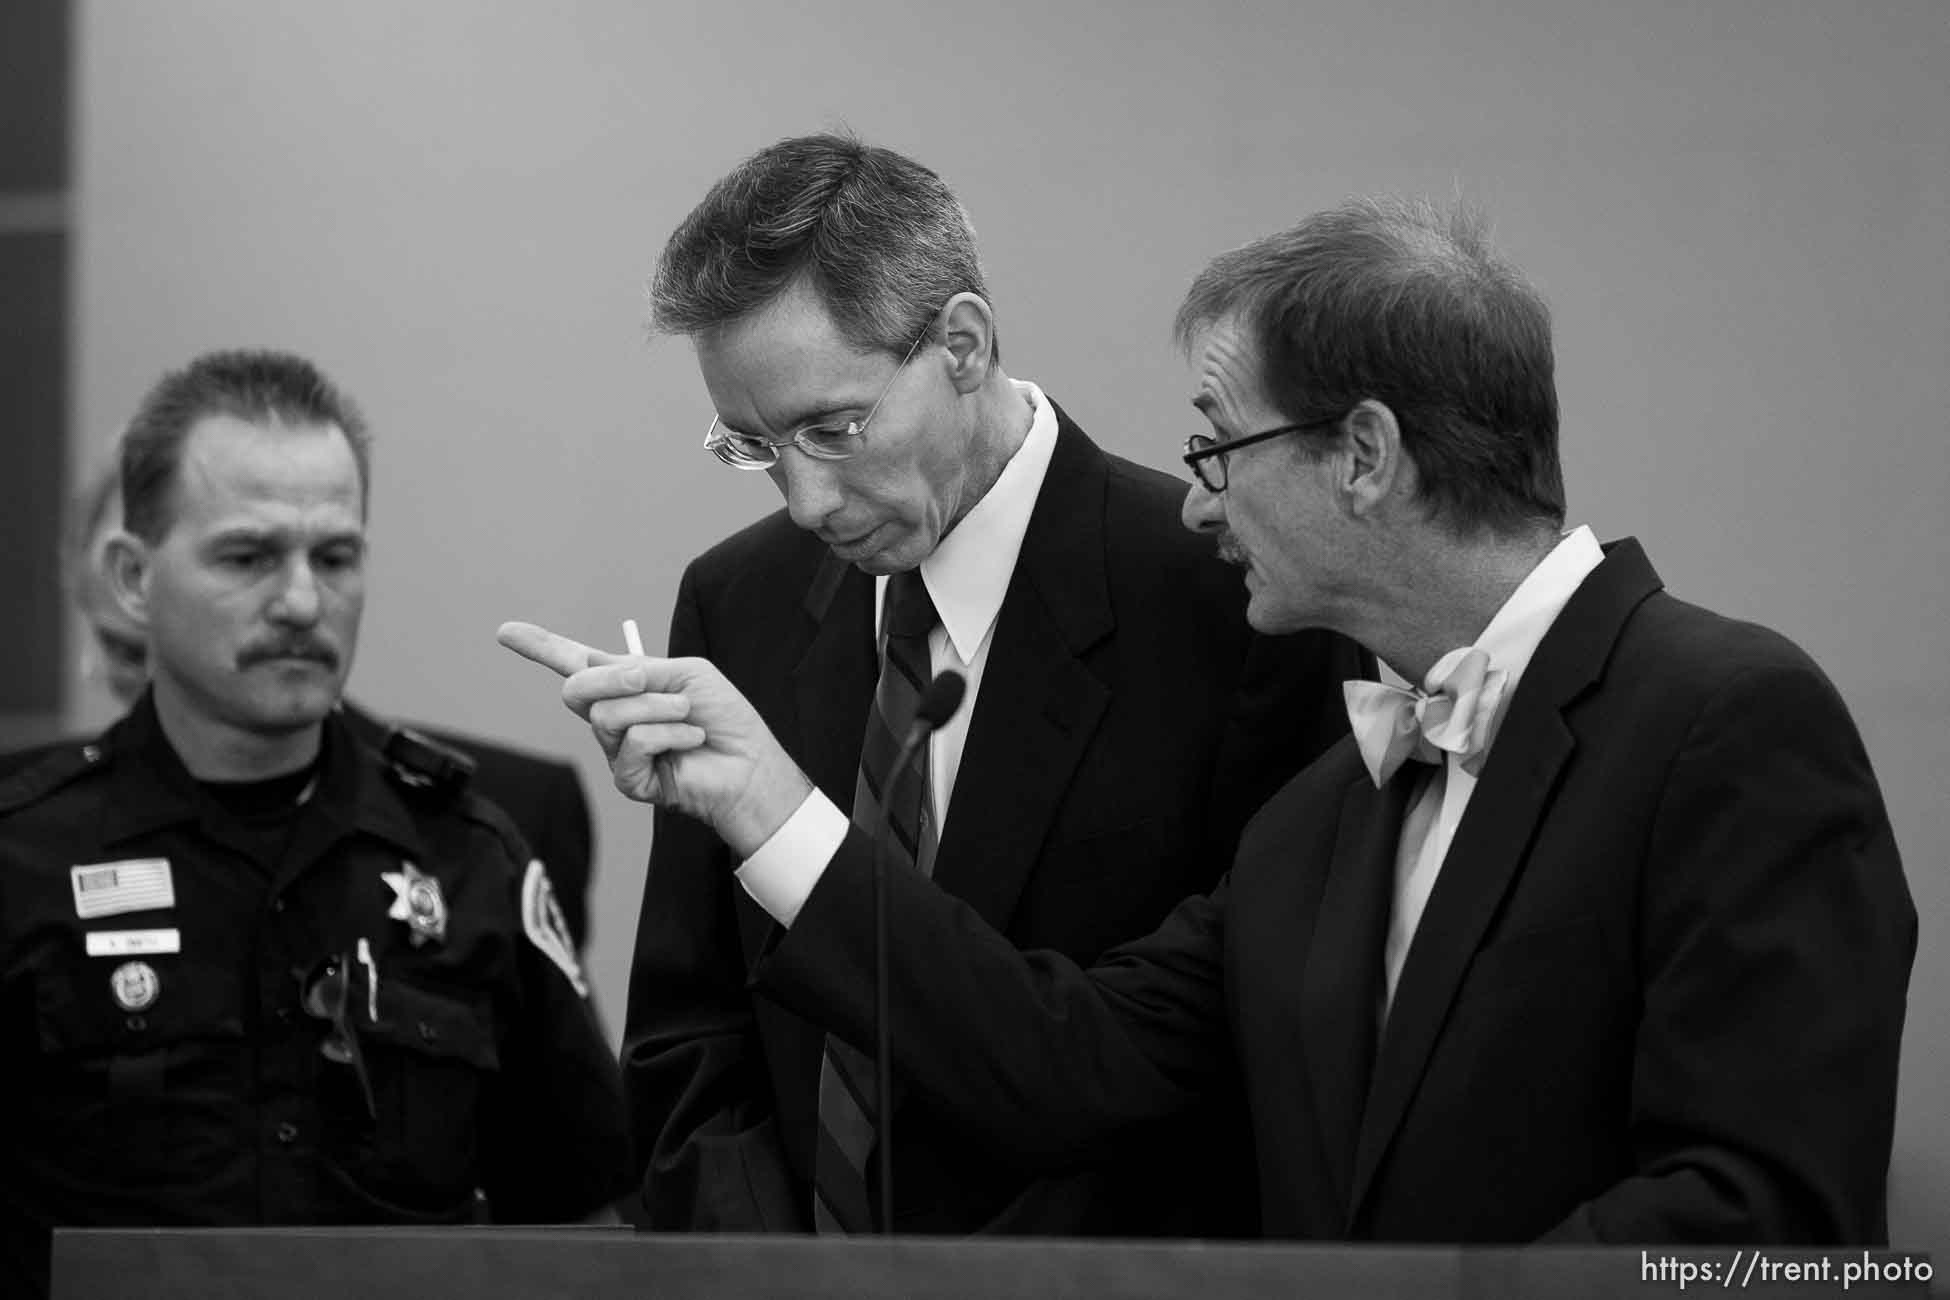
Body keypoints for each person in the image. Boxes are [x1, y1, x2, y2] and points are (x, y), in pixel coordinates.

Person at [502, 195, 1917, 1244]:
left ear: (1362, 455)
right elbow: (1065, 1061)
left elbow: (1772, 1235)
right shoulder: (1329, 810)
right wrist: (765, 806)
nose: (1194, 500)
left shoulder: (1724, 718)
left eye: (1218, 446)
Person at [605, 132, 1361, 1236]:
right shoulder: (738, 599)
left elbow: (1237, 1061)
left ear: (962, 343)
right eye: (754, 446)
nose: (806, 500)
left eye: (835, 427)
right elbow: (690, 1037)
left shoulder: (1230, 598)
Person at [0, 350, 632, 1298]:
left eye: (334, 557)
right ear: (134, 579)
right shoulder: (22, 857)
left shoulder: (470, 857)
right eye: (248, 556)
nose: (302, 602)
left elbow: (585, 1216)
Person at [5, 461, 601, 951]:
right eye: (129, 650)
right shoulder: (21, 837)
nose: (166, 684)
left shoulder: (497, 821)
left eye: (332, 557)